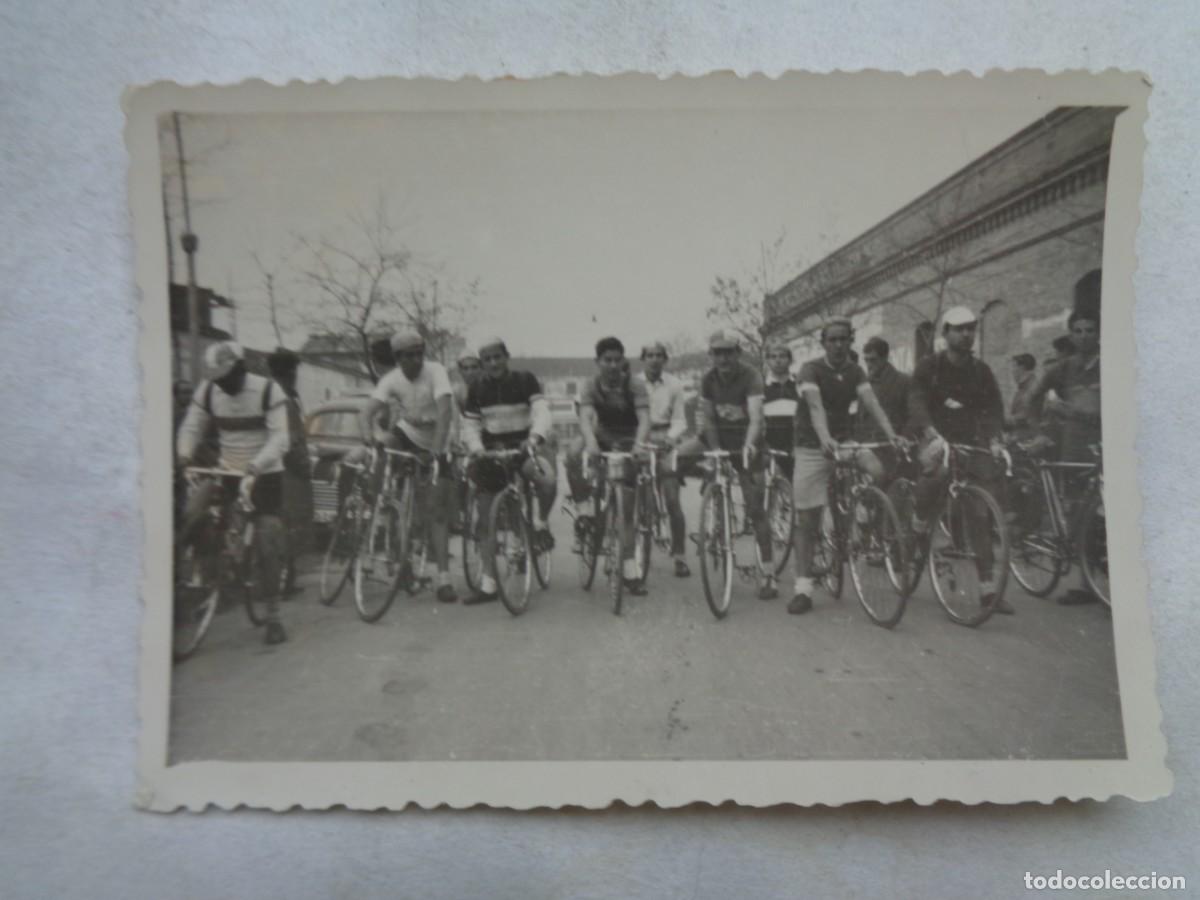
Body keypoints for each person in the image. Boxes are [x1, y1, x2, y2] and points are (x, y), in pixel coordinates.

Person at [176, 341, 291, 644]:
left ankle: (274, 615)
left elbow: (281, 438)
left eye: (228, 378)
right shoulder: (209, 390)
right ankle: (198, 581)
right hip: (227, 470)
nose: (223, 386)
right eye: (217, 379)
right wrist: (185, 454)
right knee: (191, 516)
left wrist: (256, 465)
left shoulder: (268, 391)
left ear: (241, 368)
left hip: (264, 473)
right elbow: (192, 426)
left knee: (267, 538)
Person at [788, 320, 902, 615]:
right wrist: (824, 439)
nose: (838, 345)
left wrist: (891, 435)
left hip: (845, 441)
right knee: (807, 517)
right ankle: (803, 587)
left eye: (843, 340)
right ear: (823, 342)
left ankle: (861, 518)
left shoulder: (855, 371)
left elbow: (872, 403)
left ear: (850, 341)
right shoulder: (810, 370)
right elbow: (815, 407)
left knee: (877, 470)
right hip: (813, 445)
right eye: (832, 340)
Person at [908, 306, 1013, 615]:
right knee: (936, 475)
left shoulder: (981, 371)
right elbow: (916, 401)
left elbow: (994, 408)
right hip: (934, 436)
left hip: (969, 443)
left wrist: (994, 438)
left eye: (971, 328)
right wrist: (930, 431)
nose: (967, 334)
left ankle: (987, 588)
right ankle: (918, 520)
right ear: (946, 333)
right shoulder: (930, 367)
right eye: (959, 329)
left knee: (979, 513)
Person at [360, 331, 457, 603]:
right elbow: (367, 411)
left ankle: (444, 580)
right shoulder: (391, 379)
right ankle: (379, 504)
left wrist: (437, 453)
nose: (415, 359)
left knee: (436, 510)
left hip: (437, 440)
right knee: (385, 446)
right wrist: (368, 435)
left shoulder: (436, 371)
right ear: (397, 358)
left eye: (419, 353)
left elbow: (445, 412)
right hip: (409, 435)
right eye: (408, 355)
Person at [460, 337, 558, 604]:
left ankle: (539, 523)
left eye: (497, 357)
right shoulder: (477, 388)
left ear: (506, 357)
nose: (493, 363)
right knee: (485, 519)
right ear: (483, 363)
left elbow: (541, 412)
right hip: (491, 453)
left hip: (523, 448)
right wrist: (476, 448)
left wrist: (535, 437)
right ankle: (489, 584)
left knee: (547, 480)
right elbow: (470, 425)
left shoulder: (525, 380)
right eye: (487, 359)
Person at [1030, 270, 1103, 605]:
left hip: (1102, 450)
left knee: (1102, 517)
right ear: (1071, 335)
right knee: (1077, 515)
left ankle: (1094, 579)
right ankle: (1085, 584)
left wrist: (1067, 410)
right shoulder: (1064, 368)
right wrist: (1038, 427)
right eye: (1078, 331)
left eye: (1090, 330)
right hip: (1073, 450)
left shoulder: (1109, 365)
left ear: (1099, 333)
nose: (1084, 336)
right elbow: (1035, 393)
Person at [685, 330, 776, 599]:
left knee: (756, 508)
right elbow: (709, 419)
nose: (723, 358)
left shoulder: (750, 376)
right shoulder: (708, 379)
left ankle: (769, 573)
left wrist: (749, 445)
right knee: (675, 460)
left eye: (728, 352)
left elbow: (757, 418)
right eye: (717, 353)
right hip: (720, 440)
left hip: (748, 441)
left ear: (737, 354)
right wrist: (714, 452)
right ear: (711, 356)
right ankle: (710, 483)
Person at [567, 337, 652, 594]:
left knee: (626, 506)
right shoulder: (591, 385)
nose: (613, 365)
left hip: (629, 439)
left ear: (623, 361)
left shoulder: (635, 385)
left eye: (617, 360)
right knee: (571, 455)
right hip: (600, 436)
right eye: (607, 360)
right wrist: (591, 443)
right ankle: (584, 510)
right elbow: (585, 417)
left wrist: (639, 444)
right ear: (598, 362)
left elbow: (644, 419)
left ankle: (628, 566)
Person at [635, 341, 691, 578]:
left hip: (666, 437)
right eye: (649, 355)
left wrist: (670, 438)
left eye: (659, 355)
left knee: (672, 501)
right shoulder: (634, 384)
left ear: (665, 359)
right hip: (642, 437)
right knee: (639, 499)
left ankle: (680, 556)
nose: (654, 359)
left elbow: (680, 419)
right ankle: (637, 552)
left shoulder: (675, 384)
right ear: (643, 358)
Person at [267, 348, 314, 592]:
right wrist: (306, 468)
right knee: (291, 524)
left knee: (280, 525)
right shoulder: (285, 401)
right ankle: (284, 582)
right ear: (289, 372)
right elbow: (292, 440)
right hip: (289, 473)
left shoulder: (272, 395)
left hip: (273, 469)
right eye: (294, 371)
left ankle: (281, 579)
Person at [856, 335, 912, 485]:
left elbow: (913, 415)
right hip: (869, 447)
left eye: (873, 360)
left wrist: (903, 438)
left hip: (895, 449)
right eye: (866, 360)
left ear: (885, 357)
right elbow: (860, 417)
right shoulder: (864, 385)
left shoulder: (903, 381)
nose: (869, 365)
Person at [762, 343, 800, 482]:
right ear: (767, 361)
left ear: (790, 360)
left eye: (782, 356)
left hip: (795, 443)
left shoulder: (799, 383)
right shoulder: (761, 386)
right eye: (773, 357)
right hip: (769, 445)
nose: (778, 360)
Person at [1007, 353, 1039, 439]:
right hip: (1022, 437)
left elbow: (1027, 415)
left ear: (1021, 368)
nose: (1012, 371)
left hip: (1027, 440)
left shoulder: (1032, 387)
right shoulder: (1024, 387)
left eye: (1013, 366)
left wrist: (1006, 421)